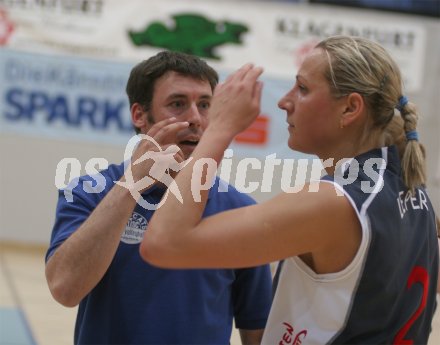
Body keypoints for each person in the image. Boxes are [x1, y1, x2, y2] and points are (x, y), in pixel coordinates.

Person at [140, 36, 439, 343]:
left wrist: (219, 129)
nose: (284, 101)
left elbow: (163, 244)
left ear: (350, 108)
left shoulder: (332, 202)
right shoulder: (414, 195)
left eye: (303, 88)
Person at [45, 51, 272, 345]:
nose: (195, 118)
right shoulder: (90, 191)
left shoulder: (239, 210)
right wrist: (131, 186)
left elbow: (259, 332)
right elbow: (65, 289)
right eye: (178, 104)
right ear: (139, 115)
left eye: (205, 105)